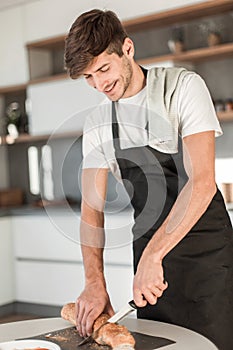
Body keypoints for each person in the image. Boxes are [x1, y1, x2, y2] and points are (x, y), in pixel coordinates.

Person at [64, 9, 233, 350]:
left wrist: (154, 256)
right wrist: (94, 281)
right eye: (88, 77)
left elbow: (201, 182)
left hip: (208, 258)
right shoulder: (98, 124)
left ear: (127, 48)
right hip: (146, 262)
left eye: (103, 69)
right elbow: (91, 210)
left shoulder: (183, 88)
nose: (99, 84)